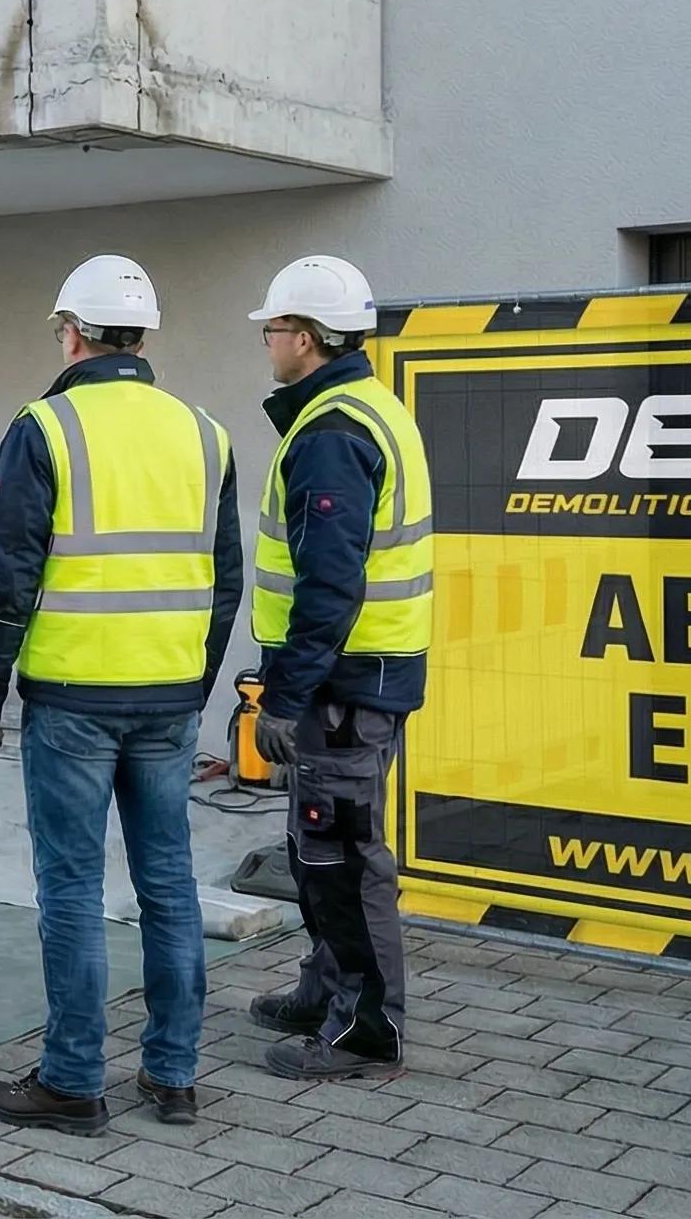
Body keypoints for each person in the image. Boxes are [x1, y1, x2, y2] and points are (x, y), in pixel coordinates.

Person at [0, 255, 243, 1134]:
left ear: (72, 333)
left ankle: (74, 1082)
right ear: (145, 336)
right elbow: (224, 579)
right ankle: (174, 1077)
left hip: (74, 696)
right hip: (166, 695)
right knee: (169, 885)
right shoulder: (207, 433)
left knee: (75, 890)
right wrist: (193, 684)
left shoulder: (44, 428)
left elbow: (6, 575)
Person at [242, 255, 433, 1080]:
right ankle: (325, 991)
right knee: (317, 848)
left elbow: (329, 583)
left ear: (309, 338)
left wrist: (283, 694)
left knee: (345, 857)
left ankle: (367, 1030)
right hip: (357, 680)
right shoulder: (363, 408)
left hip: (341, 686)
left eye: (275, 328)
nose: (268, 340)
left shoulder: (331, 434)